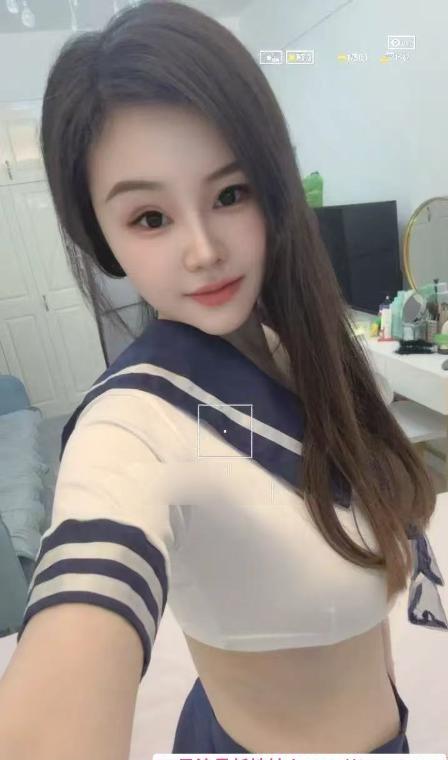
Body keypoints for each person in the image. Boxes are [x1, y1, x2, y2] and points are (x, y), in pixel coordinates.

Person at [0, 2, 446, 758]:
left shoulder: (302, 347)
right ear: (102, 238)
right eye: (150, 218)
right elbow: (80, 616)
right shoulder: (129, 428)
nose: (203, 249)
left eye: (230, 194)